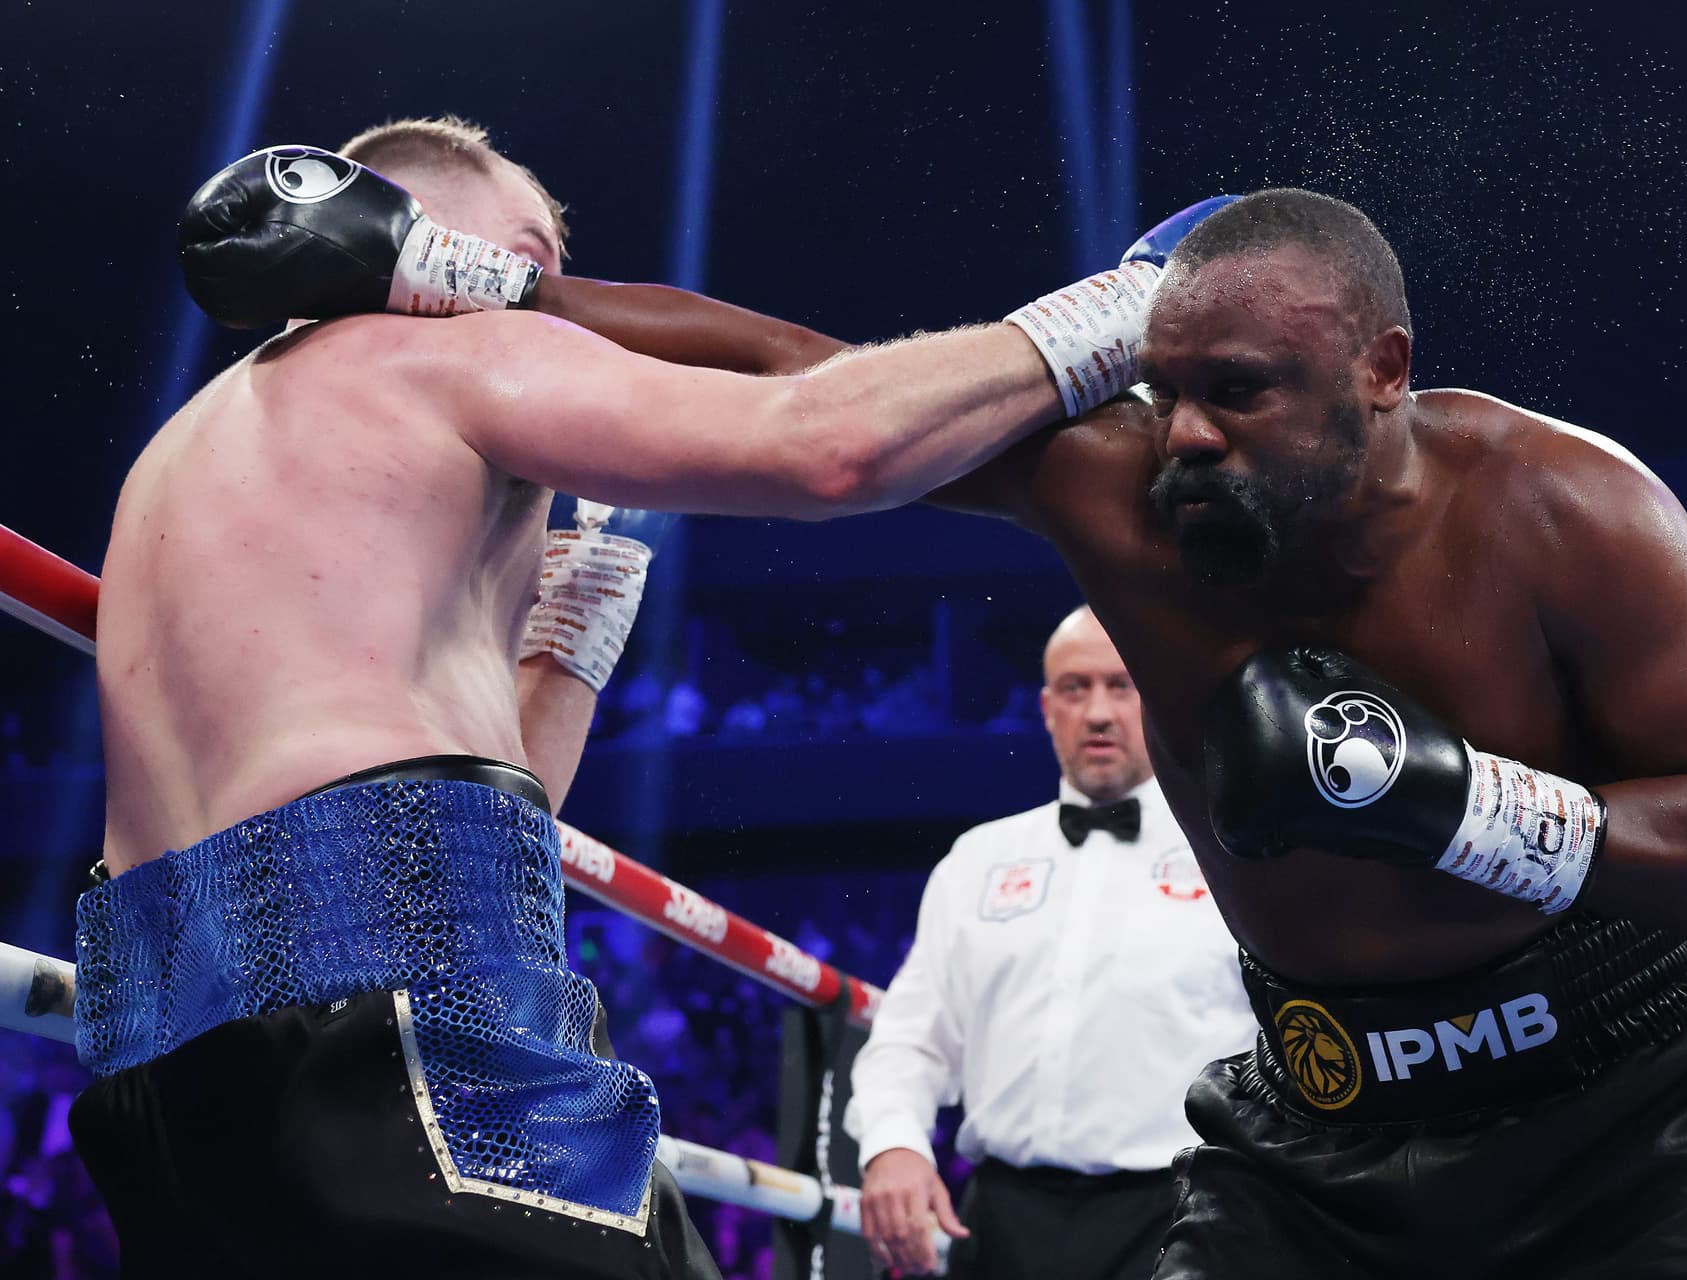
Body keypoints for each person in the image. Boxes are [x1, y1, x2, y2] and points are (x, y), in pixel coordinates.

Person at [264, 184, 1687, 1276]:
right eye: (1164, 386)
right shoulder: (1118, 489)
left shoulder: (1556, 507)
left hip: (1644, 1121)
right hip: (1321, 1130)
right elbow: (794, 375)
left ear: (1381, 373)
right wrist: (452, 274)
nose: (1183, 435)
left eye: (1238, 392)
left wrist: (1454, 804)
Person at [71, 122, 1204, 1279]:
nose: (562, 301)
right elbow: (830, 444)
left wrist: (582, 613)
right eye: (530, 250)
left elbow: (489, 806)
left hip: (159, 1047)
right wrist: (1131, 309)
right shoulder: (434, 357)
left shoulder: (179, 453)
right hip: (398, 989)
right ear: (431, 231)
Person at [844, 607, 1250, 1280]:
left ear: (1158, 695)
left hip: (1188, 1214)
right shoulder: (978, 861)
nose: (1097, 711)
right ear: (1045, 706)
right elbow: (910, 1038)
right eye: (1075, 687)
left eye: (1121, 686)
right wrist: (892, 1146)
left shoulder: (1229, 855)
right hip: (1002, 1221)